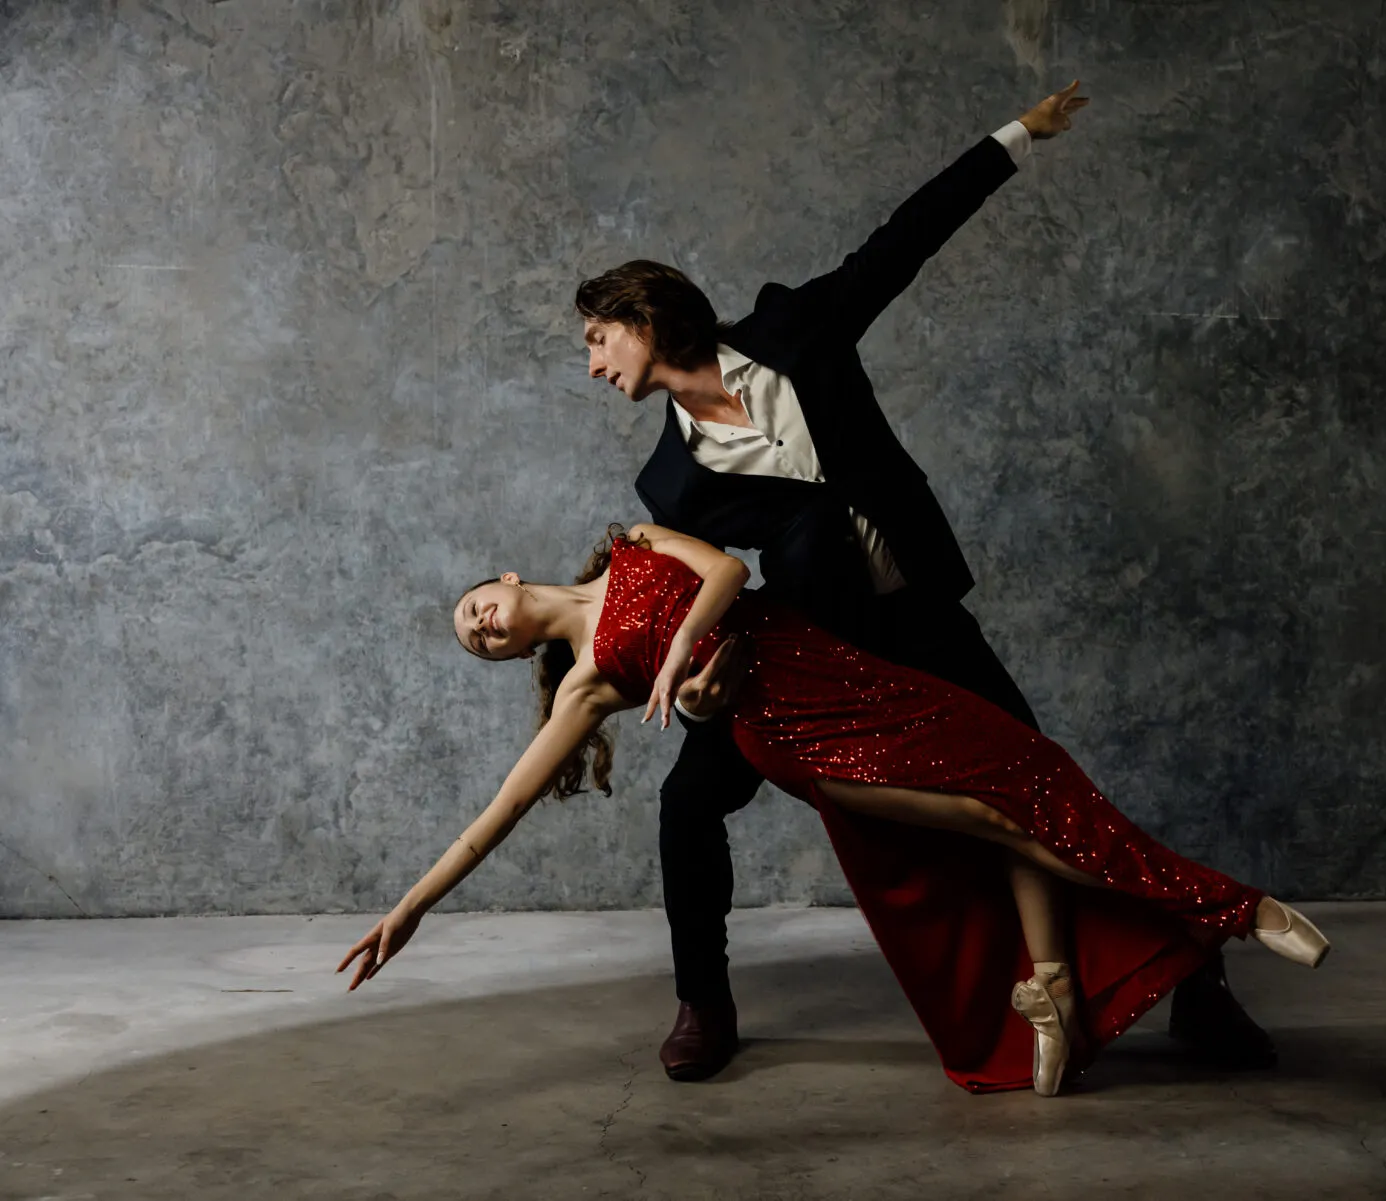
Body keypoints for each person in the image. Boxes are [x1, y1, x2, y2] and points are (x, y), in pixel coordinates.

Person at [571, 81, 1276, 1082]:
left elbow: (901, 242)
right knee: (689, 802)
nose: (593, 367)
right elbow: (704, 597)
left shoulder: (796, 331)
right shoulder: (669, 484)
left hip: (914, 611)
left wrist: (1016, 138)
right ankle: (703, 1003)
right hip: (812, 658)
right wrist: (699, 695)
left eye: (596, 339)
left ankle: (1196, 985)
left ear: (641, 314)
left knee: (1045, 784)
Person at [338, 525, 1330, 1097]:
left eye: (476, 609)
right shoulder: (585, 685)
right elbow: (500, 809)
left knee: (1022, 774)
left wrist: (677, 658)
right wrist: (411, 907)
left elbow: (728, 572)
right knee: (994, 821)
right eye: (478, 642)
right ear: (515, 653)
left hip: (841, 671)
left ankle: (1055, 991)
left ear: (506, 581)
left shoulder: (632, 542)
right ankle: (1225, 905)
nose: (482, 628)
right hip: (799, 739)